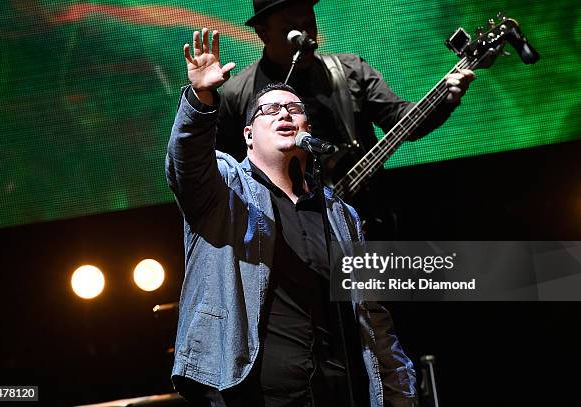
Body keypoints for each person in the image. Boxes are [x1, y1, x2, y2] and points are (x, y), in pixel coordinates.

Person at [165, 27, 455, 407]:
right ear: (249, 134)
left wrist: (400, 395)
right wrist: (202, 97)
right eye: (269, 110)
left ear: (308, 129)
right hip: (252, 393)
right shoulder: (226, 187)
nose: (284, 112)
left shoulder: (340, 215)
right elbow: (185, 163)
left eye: (294, 109)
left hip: (335, 390)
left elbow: (373, 317)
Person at [216, 0, 475, 194]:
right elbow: (224, 174)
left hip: (368, 225)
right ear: (263, 33)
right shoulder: (237, 95)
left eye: (309, 24)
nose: (306, 36)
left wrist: (444, 99)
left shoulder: (350, 71)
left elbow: (400, 121)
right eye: (292, 30)